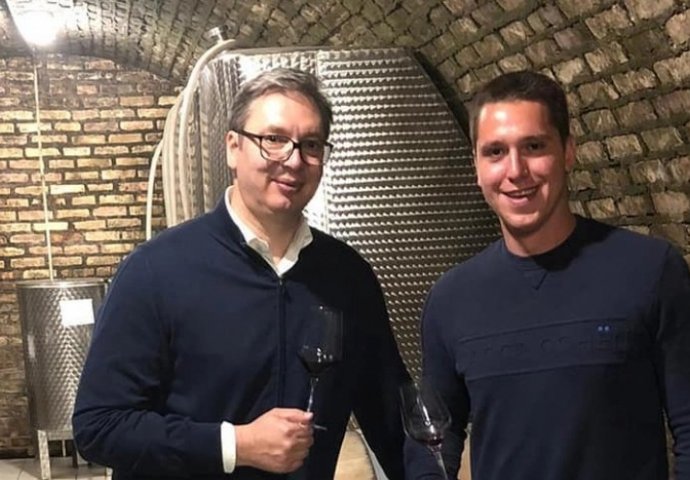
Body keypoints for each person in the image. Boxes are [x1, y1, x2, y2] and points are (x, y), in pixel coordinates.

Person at [73, 67, 409, 480]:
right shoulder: (156, 270)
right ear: (233, 147)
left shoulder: (347, 277)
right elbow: (100, 426)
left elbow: (393, 421)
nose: (293, 160)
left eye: (311, 144)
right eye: (274, 140)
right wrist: (234, 445)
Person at [404, 70, 690, 479]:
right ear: (476, 167)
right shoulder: (450, 299)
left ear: (568, 152)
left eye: (534, 146)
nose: (516, 170)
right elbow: (434, 438)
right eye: (495, 152)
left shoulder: (650, 271)